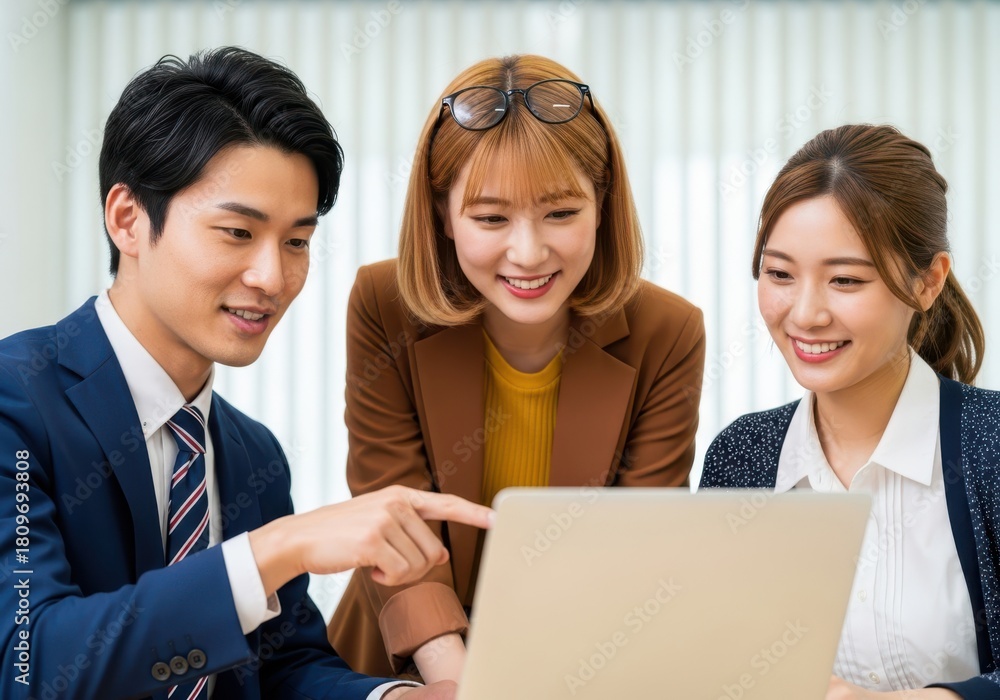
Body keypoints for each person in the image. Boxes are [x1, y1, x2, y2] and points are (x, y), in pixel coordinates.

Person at [0, 46, 493, 700]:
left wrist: (394, 699)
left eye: (296, 241)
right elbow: (29, 663)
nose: (272, 277)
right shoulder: (17, 402)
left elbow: (282, 670)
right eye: (237, 232)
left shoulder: (250, 453)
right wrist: (279, 548)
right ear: (127, 220)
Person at [327, 54, 706, 682]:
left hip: (583, 662)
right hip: (400, 664)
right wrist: (458, 679)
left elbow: (638, 545)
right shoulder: (383, 304)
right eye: (491, 218)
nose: (528, 254)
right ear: (442, 213)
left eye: (561, 213)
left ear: (603, 203)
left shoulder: (668, 332)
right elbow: (394, 514)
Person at [700, 124, 999, 699]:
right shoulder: (741, 458)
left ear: (928, 281)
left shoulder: (990, 445)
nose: (806, 314)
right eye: (779, 274)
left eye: (845, 280)